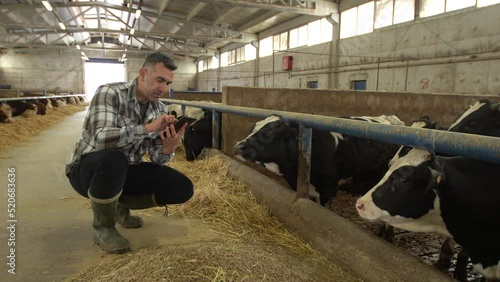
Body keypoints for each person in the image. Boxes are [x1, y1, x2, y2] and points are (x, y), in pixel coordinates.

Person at [66, 52, 194, 254]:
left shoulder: (160, 108)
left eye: (168, 83)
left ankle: (117, 206)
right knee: (114, 158)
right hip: (87, 171)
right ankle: (103, 227)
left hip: (124, 171)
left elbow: (156, 158)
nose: (164, 88)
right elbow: (101, 138)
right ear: (143, 74)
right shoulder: (110, 93)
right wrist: (147, 128)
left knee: (182, 188)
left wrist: (168, 147)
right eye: (159, 80)